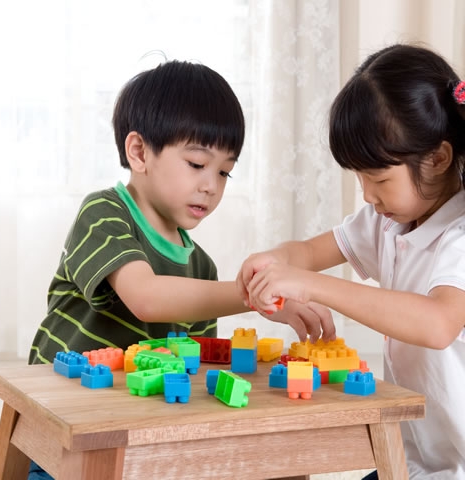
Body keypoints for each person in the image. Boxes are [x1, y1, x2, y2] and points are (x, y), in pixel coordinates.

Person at [27, 60, 335, 479]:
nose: (211, 185)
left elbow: (194, 368)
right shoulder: (103, 214)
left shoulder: (201, 266)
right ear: (139, 152)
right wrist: (253, 292)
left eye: (224, 172)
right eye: (196, 164)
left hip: (141, 434)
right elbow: (146, 297)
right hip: (66, 425)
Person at [236, 44, 465, 479]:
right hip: (411, 464)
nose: (367, 195)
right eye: (360, 177)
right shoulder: (388, 222)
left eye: (379, 178)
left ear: (437, 158)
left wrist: (311, 284)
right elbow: (308, 252)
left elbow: (438, 324)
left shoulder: (460, 237)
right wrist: (271, 261)